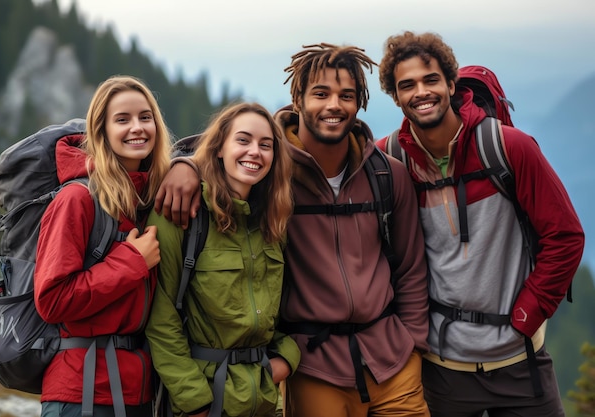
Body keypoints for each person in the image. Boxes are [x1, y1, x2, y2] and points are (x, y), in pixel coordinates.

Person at [154, 44, 430, 417]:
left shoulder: (386, 176)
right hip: (316, 366)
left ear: (359, 102)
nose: (334, 105)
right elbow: (231, 151)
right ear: (297, 98)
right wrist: (185, 164)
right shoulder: (274, 176)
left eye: (346, 96)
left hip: (391, 360)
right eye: (320, 93)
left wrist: (413, 344)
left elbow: (411, 268)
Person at [376, 31, 585, 416]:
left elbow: (565, 236)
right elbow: (334, 180)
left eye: (431, 80)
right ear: (395, 96)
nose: (421, 92)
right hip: (442, 369)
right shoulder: (389, 163)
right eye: (407, 85)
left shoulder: (509, 147)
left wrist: (527, 314)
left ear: (451, 83)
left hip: (520, 362)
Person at [145, 102, 300, 417]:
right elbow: (160, 319)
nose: (254, 152)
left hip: (265, 402)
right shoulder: (184, 213)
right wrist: (196, 402)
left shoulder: (273, 222)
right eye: (243, 140)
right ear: (219, 149)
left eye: (265, 145)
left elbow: (284, 312)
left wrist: (284, 360)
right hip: (203, 403)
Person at [34, 75, 172, 417]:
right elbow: (52, 300)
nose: (137, 128)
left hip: (137, 392)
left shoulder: (146, 201)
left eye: (145, 117)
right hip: (80, 394)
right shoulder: (77, 199)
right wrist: (132, 262)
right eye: (122, 120)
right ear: (102, 132)